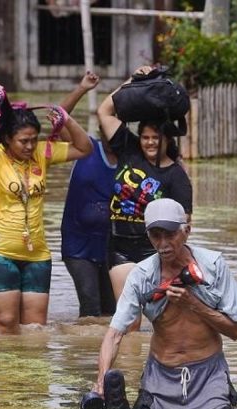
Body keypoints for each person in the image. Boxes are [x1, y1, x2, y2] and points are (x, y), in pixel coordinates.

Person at [93, 198, 237, 409]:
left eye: (170, 234)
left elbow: (235, 331)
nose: (163, 243)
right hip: (160, 376)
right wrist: (101, 380)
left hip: (208, 377)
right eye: (155, 235)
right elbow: (114, 334)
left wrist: (194, 304)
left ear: (187, 231)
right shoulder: (142, 276)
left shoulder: (214, 266)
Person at [0, 81, 92, 334]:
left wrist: (66, 120)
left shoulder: (43, 153)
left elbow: (85, 149)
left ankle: (31, 375)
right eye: (23, 141)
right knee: (7, 325)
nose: (30, 146)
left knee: (35, 331)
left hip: (37, 256)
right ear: (8, 139)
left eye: (33, 140)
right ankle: (1, 373)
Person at [97, 66, 193, 313]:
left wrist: (171, 259)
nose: (150, 142)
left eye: (155, 137)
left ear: (168, 140)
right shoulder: (128, 150)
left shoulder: (176, 176)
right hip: (119, 246)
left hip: (154, 250)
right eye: (145, 137)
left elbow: (184, 226)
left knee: (159, 319)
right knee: (129, 317)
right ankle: (130, 353)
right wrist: (135, 79)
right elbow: (105, 110)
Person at [59, 70, 117, 318]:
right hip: (78, 244)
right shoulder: (85, 148)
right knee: (90, 307)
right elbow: (58, 119)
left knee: (112, 311)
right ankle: (83, 356)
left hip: (111, 245)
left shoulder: (131, 160)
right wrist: (82, 88)